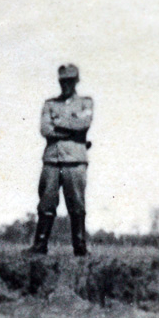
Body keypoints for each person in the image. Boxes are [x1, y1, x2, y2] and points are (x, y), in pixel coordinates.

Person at [29, 63, 93, 256]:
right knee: (46, 204)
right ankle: (40, 246)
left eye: (70, 81)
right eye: (63, 81)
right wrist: (72, 129)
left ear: (76, 81)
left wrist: (59, 123)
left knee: (76, 205)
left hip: (75, 161)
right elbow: (45, 129)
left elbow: (83, 124)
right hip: (52, 161)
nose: (66, 85)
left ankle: (80, 248)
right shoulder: (50, 104)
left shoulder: (85, 102)